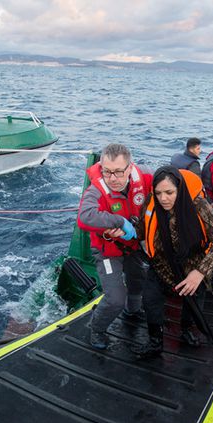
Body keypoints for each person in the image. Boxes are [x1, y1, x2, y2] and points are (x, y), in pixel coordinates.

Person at [138, 166, 213, 354]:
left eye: (169, 192)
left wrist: (200, 272)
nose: (163, 199)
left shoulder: (199, 205)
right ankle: (155, 341)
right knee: (150, 301)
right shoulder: (150, 203)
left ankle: (186, 330)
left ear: (180, 189)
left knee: (193, 304)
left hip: (192, 267)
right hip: (161, 265)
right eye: (159, 193)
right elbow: (141, 227)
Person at [77, 144, 153, 349]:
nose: (113, 178)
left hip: (134, 246)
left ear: (130, 168)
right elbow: (84, 217)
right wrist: (118, 222)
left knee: (138, 280)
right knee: (115, 299)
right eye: (107, 172)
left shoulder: (144, 177)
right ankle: (97, 329)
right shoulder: (97, 190)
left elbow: (169, 185)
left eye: (119, 171)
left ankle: (134, 310)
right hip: (108, 251)